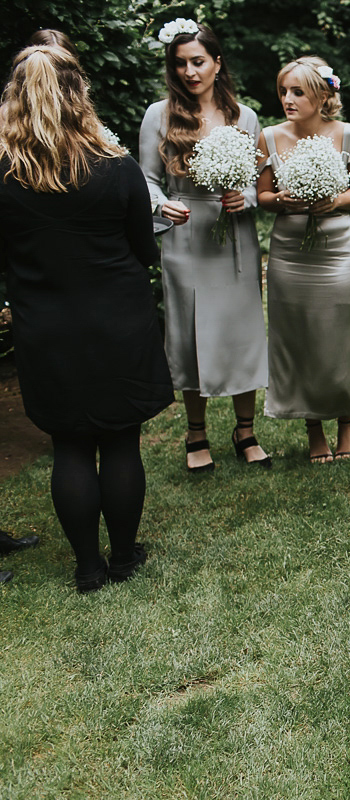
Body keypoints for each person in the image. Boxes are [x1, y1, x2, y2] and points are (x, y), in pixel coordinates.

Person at [0, 44, 174, 591]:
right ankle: (123, 557)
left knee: (69, 444)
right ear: (79, 95)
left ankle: (87, 567)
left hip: (45, 327)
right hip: (118, 320)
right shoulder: (114, 167)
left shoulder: (4, 176)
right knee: (120, 440)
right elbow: (145, 251)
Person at [139, 20, 271, 473]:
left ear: (217, 62)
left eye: (199, 61)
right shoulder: (158, 114)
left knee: (241, 327)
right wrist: (163, 206)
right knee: (190, 331)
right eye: (181, 64)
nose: (191, 72)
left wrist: (246, 197)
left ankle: (245, 429)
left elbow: (258, 183)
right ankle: (196, 433)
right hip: (186, 232)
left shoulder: (245, 116)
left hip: (233, 233)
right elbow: (147, 181)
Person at [257, 56, 350, 463]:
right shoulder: (270, 138)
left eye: (297, 92)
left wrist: (334, 200)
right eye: (283, 91)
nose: (287, 99)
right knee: (298, 338)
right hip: (289, 253)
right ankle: (313, 426)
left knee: (337, 337)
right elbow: (262, 197)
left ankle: (346, 419)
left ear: (322, 95)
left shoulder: (347, 135)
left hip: (337, 249)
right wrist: (280, 200)